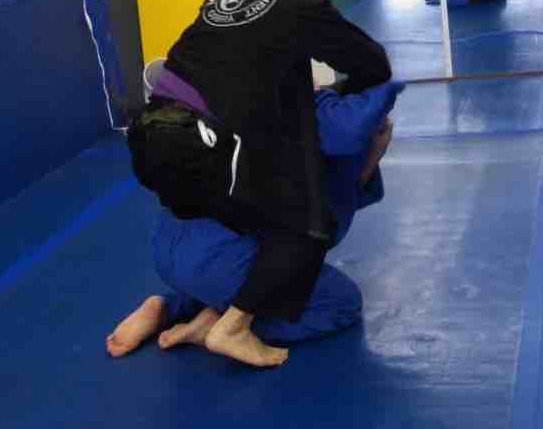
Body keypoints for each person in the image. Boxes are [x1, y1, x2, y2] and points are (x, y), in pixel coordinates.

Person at [127, 0, 391, 368]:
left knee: (248, 220)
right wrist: (351, 92)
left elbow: (243, 67)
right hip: (204, 143)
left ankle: (184, 308)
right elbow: (371, 61)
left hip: (153, 131)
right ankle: (231, 326)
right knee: (307, 224)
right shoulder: (299, 2)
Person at [108, 80, 401, 360]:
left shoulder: (250, 106)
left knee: (234, 257)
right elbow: (321, 231)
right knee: (340, 302)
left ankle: (167, 307)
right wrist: (374, 151)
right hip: (219, 261)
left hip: (170, 243)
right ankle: (223, 324)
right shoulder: (330, 141)